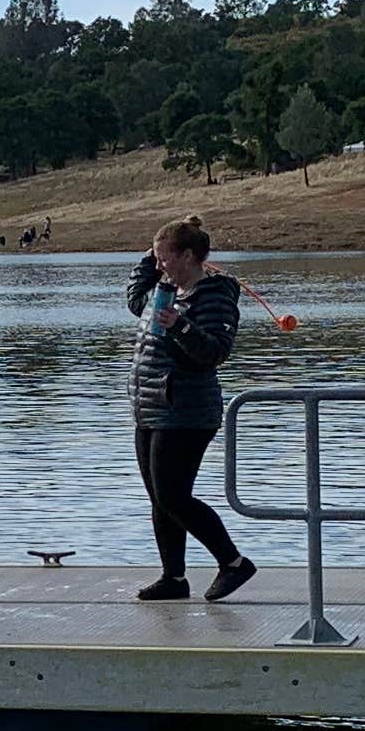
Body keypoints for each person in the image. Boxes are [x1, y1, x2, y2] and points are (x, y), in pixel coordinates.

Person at [126, 219, 258, 602]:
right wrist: (147, 260)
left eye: (164, 257)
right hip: (149, 406)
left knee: (173, 495)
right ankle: (174, 578)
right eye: (156, 257)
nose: (159, 264)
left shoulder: (213, 294)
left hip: (187, 411)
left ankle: (233, 563)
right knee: (159, 497)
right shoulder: (162, 291)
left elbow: (215, 352)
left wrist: (181, 327)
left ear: (187, 256)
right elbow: (135, 298)